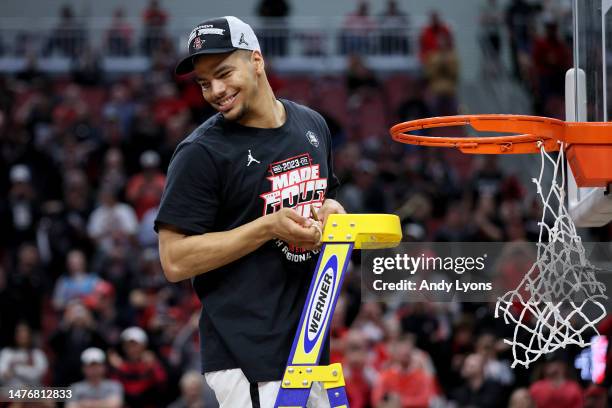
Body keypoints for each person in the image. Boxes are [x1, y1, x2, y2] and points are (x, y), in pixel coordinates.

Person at [156, 16, 344, 407]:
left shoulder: (312, 125)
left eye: (224, 73)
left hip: (310, 350)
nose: (216, 91)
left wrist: (331, 208)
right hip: (249, 357)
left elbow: (325, 200)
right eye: (205, 83)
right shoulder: (200, 153)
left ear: (256, 61)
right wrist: (267, 228)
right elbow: (173, 260)